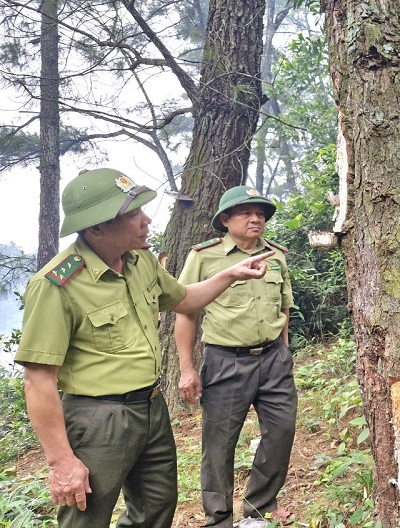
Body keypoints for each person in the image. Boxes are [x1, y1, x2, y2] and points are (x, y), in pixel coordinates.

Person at [14, 168, 274, 528]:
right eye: (133, 214)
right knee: (86, 517)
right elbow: (38, 379)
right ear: (96, 227)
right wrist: (60, 461)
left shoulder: (141, 262)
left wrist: (231, 273)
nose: (146, 220)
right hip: (98, 419)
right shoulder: (58, 284)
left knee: (155, 507)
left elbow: (185, 300)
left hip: (151, 408)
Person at [175, 186, 297, 528]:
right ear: (225, 220)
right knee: (219, 443)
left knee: (282, 432)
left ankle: (257, 512)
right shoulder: (204, 256)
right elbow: (185, 312)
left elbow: (284, 306)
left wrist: (284, 351)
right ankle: (219, 519)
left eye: (260, 212)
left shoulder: (276, 255)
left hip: (274, 360)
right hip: (226, 361)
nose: (255, 218)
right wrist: (187, 369)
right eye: (245, 212)